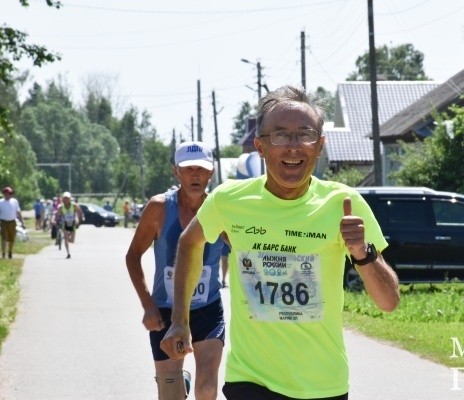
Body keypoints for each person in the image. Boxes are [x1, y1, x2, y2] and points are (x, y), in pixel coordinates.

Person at [160, 85, 400, 400]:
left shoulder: (344, 203)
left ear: (320, 145)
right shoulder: (229, 200)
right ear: (260, 146)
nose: (293, 146)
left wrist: (362, 253)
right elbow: (190, 243)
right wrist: (180, 320)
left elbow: (389, 302)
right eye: (280, 135)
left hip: (322, 384)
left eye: (305, 135)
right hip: (250, 380)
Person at [125, 141, 227, 400]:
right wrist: (148, 304)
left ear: (211, 172)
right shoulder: (159, 208)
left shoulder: (221, 209)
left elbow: (244, 249)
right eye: (188, 169)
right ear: (176, 172)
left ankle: (189, 383)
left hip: (207, 308)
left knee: (207, 390)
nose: (195, 175)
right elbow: (133, 255)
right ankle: (179, 382)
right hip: (166, 310)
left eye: (201, 169)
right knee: (170, 394)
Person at [54, 191, 84, 259]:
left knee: (72, 241)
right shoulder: (61, 207)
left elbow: (79, 212)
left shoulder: (74, 205)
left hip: (72, 224)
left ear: (70, 199)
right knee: (66, 239)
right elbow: (57, 215)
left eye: (67, 198)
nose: (65, 200)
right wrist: (54, 220)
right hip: (65, 224)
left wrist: (79, 221)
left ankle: (66, 237)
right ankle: (68, 253)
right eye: (64, 198)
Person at [0, 187, 24, 259]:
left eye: (10, 193)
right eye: (8, 193)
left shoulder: (15, 201)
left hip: (12, 221)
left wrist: (22, 221)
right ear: (4, 194)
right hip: (3, 221)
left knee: (12, 238)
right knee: (4, 238)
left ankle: (10, 252)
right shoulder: (1, 202)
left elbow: (18, 212)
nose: (9, 195)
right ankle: (3, 254)